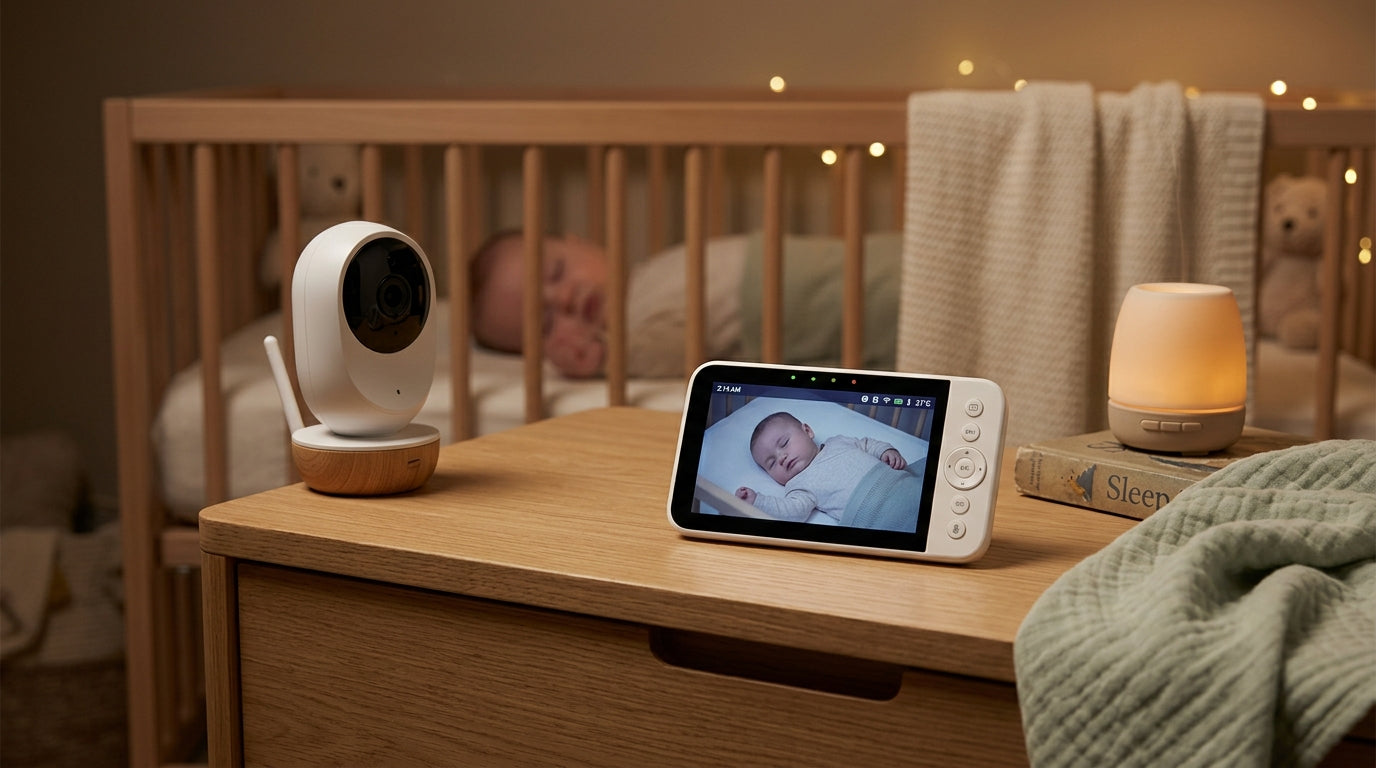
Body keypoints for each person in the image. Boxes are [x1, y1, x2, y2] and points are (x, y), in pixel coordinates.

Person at [468, 229, 902, 379]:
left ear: (579, 243)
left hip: (840, 277)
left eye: (557, 272)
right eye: (544, 322)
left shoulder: (651, 284)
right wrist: (602, 356)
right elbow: (677, 350)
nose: (563, 298)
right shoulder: (641, 326)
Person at [734, 411, 908, 524]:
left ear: (807, 431)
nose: (781, 457)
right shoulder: (799, 486)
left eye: (785, 443)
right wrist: (757, 501)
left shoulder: (837, 442)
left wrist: (887, 451)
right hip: (873, 515)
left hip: (898, 483)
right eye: (771, 463)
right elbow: (792, 512)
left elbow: (868, 444)